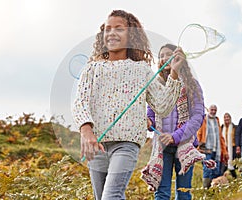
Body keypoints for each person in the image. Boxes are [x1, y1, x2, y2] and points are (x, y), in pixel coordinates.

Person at [73, 10, 187, 200]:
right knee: (102, 197)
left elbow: (163, 106)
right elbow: (80, 103)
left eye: (119, 28)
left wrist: (174, 73)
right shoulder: (92, 68)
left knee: (111, 196)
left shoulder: (141, 69)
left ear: (131, 36)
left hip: (126, 145)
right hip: (97, 145)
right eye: (107, 29)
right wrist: (86, 131)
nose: (112, 33)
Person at [142, 44, 204, 200]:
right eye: (161, 55)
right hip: (162, 147)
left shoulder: (191, 85)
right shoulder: (156, 86)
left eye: (169, 54)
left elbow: (197, 116)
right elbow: (152, 112)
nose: (164, 58)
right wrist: (149, 121)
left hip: (185, 145)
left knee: (183, 193)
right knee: (161, 193)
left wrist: (175, 136)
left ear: (178, 59)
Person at [197, 104, 228, 188]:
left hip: (216, 150)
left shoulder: (217, 121)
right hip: (206, 149)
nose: (213, 112)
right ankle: (205, 189)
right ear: (209, 110)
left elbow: (220, 137)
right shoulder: (204, 120)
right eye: (212, 110)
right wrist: (198, 147)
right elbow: (199, 133)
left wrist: (224, 151)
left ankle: (214, 189)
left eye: (215, 110)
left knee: (216, 170)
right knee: (207, 169)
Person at [221, 112, 238, 178]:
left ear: (230, 118)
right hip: (224, 148)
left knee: (232, 164)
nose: (226, 119)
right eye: (225, 117)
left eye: (228, 117)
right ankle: (222, 180)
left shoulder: (234, 127)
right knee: (224, 165)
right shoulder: (222, 127)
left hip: (232, 148)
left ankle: (235, 178)